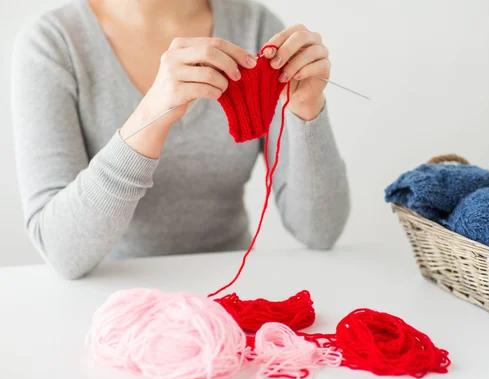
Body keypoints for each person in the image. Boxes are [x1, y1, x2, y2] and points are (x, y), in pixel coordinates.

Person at [11, 0, 350, 279]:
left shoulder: (255, 26)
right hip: (109, 302)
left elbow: (320, 232)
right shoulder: (53, 44)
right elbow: (61, 252)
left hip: (234, 293)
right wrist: (151, 116)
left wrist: (307, 108)